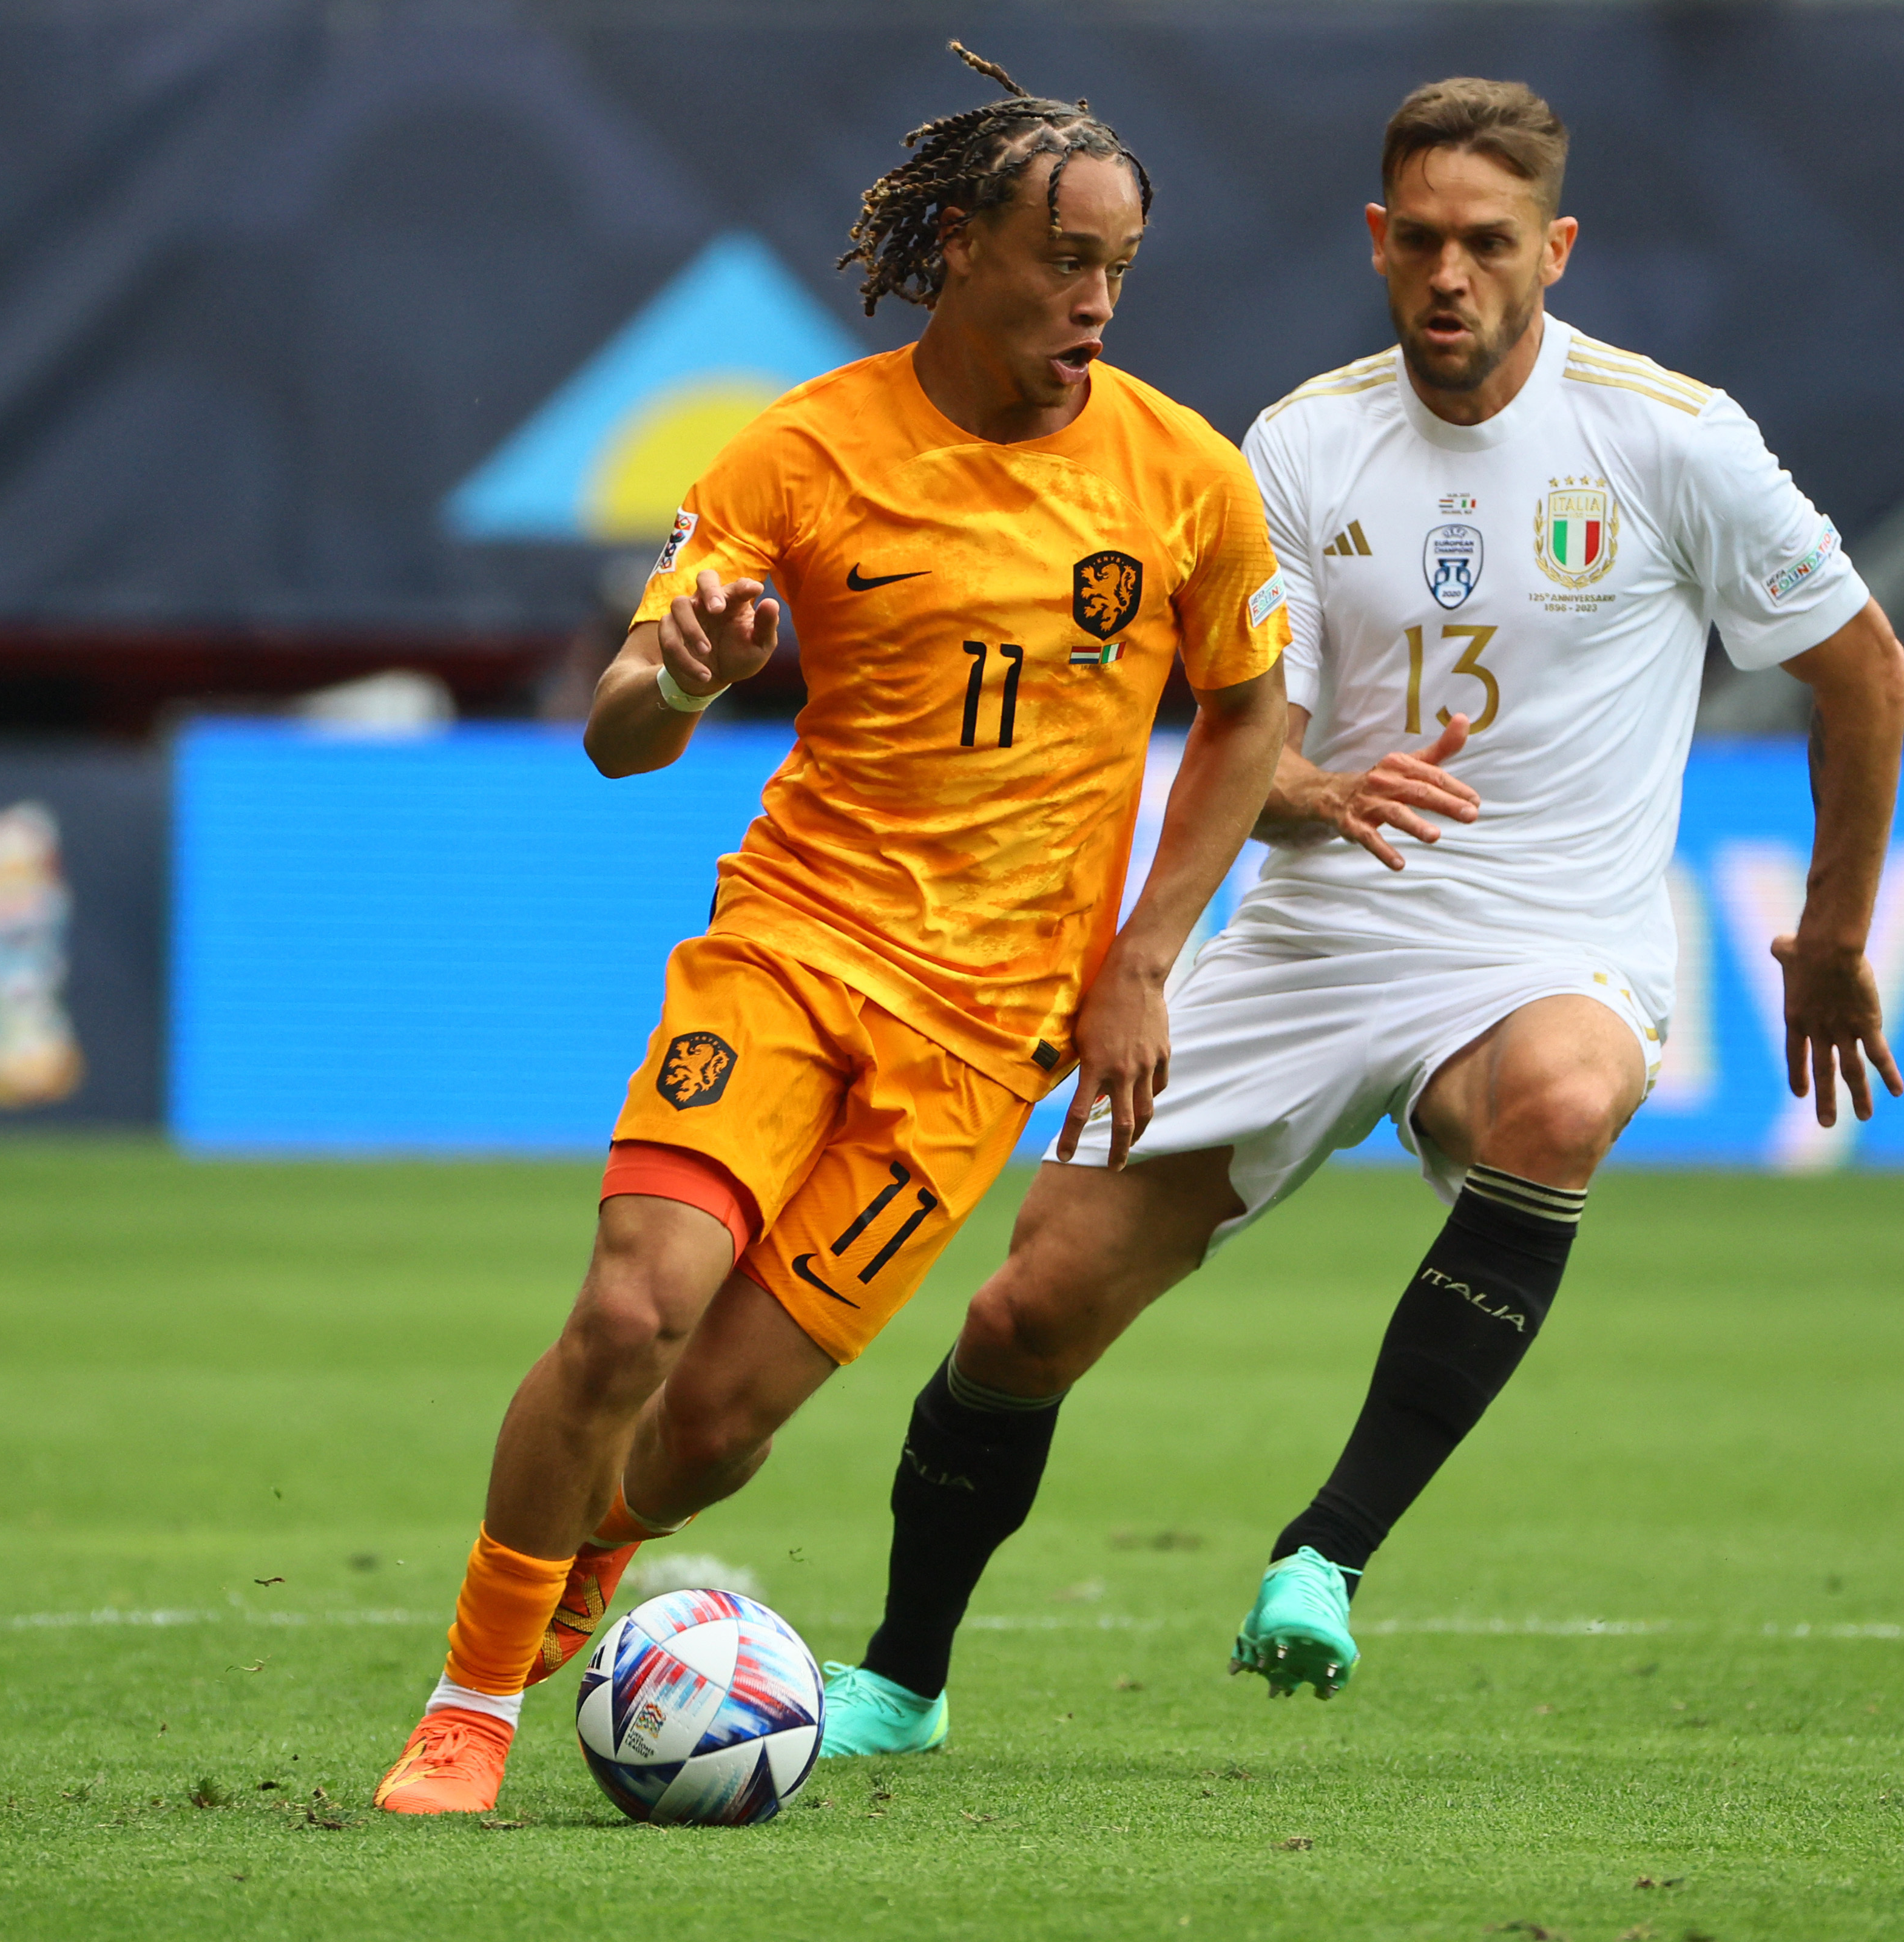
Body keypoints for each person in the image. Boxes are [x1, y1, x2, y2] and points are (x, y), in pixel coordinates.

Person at [812, 75, 1904, 1754]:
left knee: (1555, 1098)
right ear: (1378, 242)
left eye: (1488, 244)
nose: (1450, 278)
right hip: (1315, 938)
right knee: (1022, 1314)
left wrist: (1833, 935)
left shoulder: (1673, 439)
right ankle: (901, 1677)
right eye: (1421, 243)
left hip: (1553, 937)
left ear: (1554, 247)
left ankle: (1323, 1554)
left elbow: (1863, 668)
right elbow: (1251, 737)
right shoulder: (1302, 444)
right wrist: (1300, 812)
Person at [372, 44, 1289, 1814]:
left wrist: (1145, 959)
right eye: (1063, 260)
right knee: (630, 1314)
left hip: (984, 1033)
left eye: (1119, 266)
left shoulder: (1183, 476)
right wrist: (689, 679)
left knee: (712, 1429)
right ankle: (469, 1700)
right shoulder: (801, 450)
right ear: (960, 245)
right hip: (793, 948)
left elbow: (1248, 714)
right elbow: (621, 727)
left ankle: (596, 1548)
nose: (1096, 301)